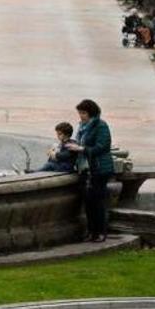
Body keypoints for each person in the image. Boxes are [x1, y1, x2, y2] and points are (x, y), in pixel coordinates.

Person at [66, 100, 114, 243]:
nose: (81, 116)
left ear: (91, 113)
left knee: (98, 202)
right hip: (85, 169)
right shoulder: (82, 126)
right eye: (80, 113)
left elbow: (103, 146)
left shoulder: (101, 125)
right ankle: (92, 231)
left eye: (83, 113)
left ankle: (101, 232)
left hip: (99, 169)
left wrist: (82, 149)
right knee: (88, 202)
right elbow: (81, 142)